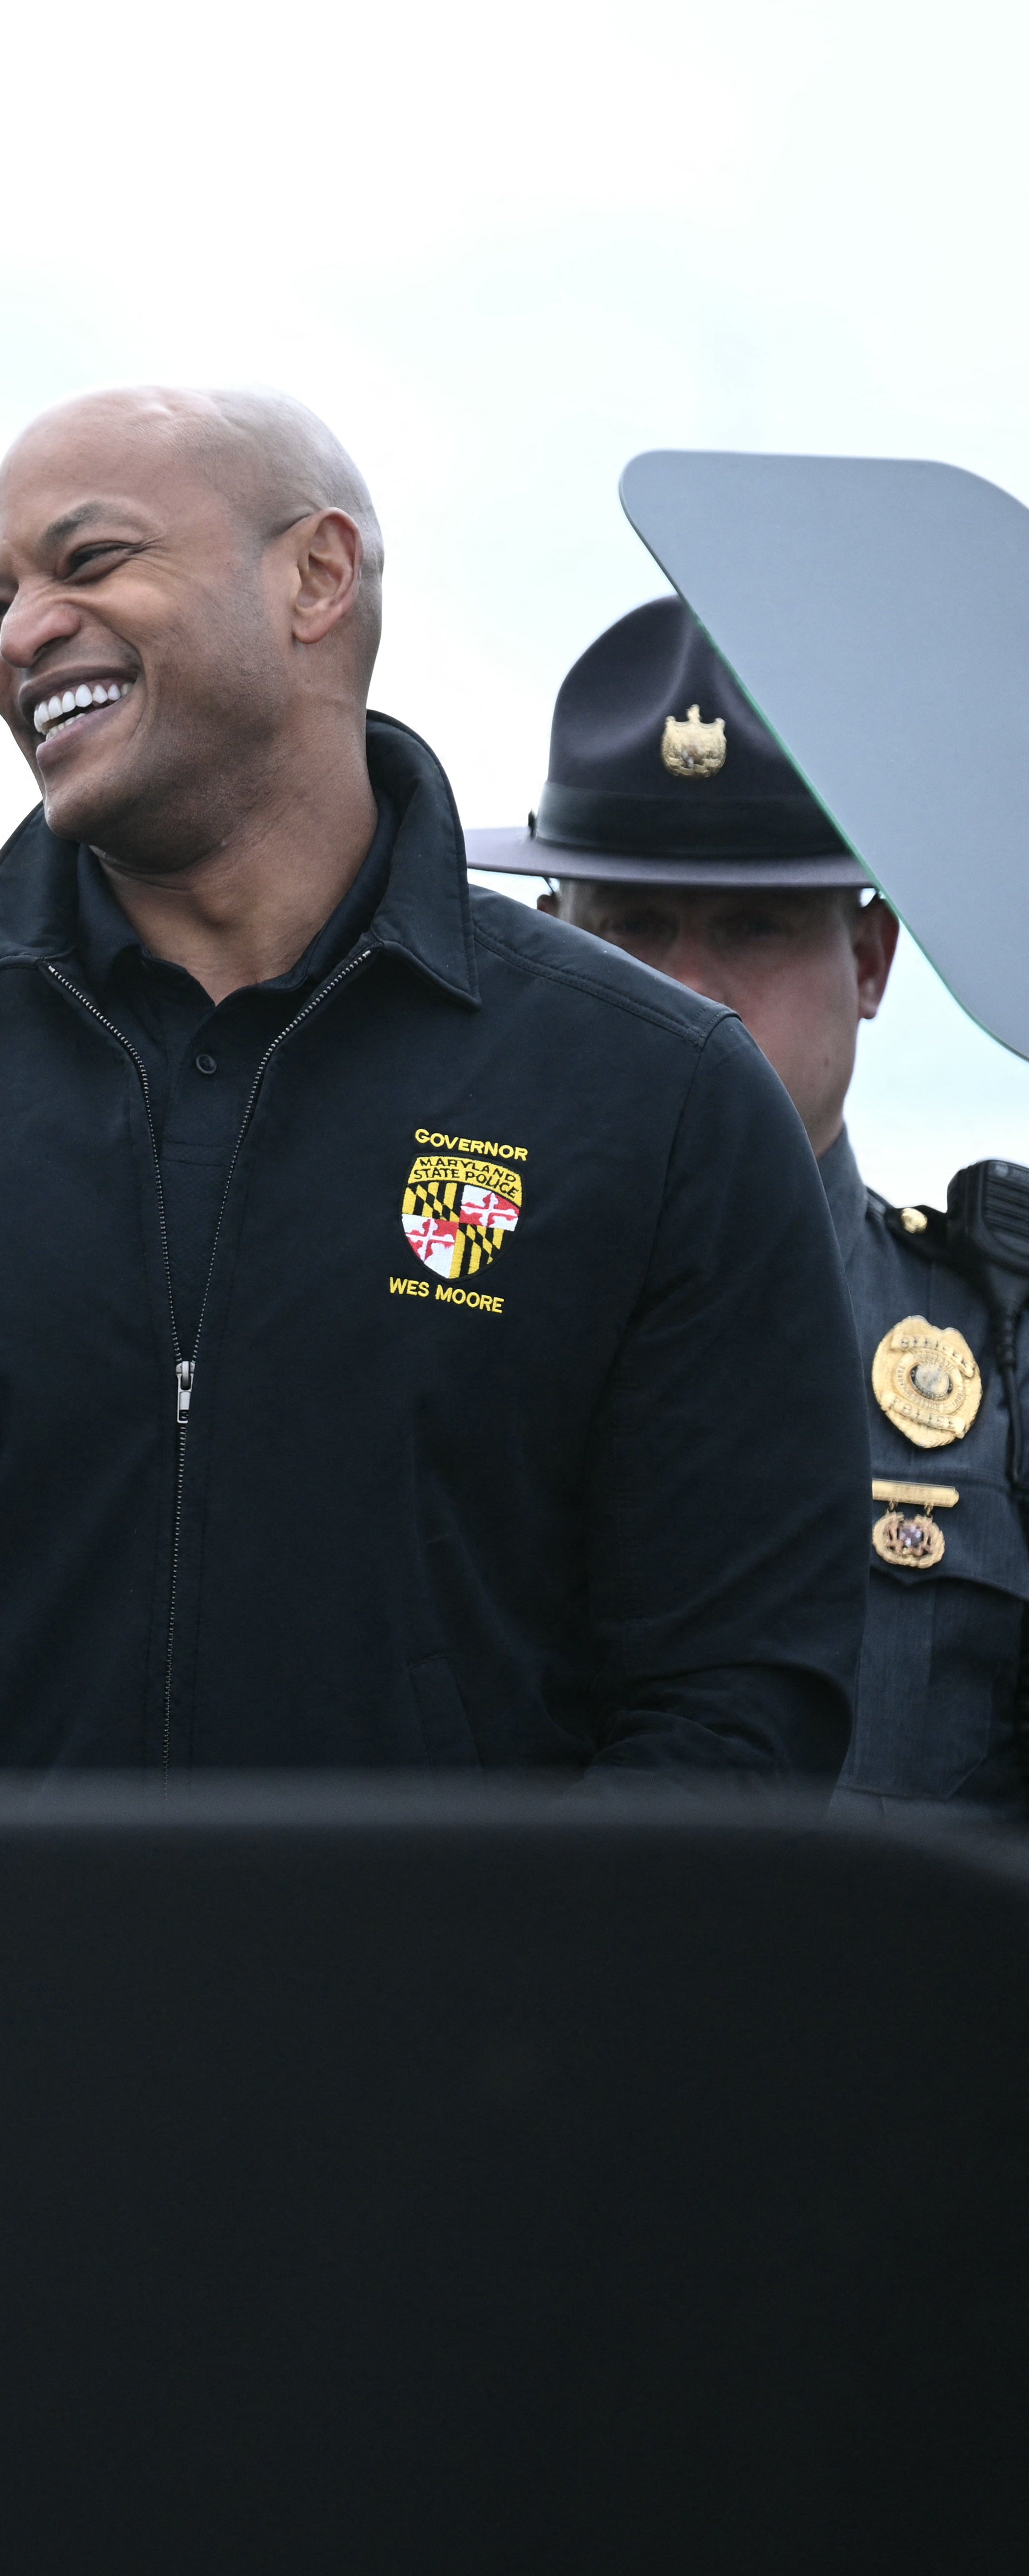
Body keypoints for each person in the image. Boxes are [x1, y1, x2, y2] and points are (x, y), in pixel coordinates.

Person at [0, 387, 861, 1780]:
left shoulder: (660, 1100)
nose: (20, 637)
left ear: (316, 576)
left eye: (87, 564)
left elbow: (734, 1706)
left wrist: (508, 1998)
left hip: (483, 2005)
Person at [480, 599, 1018, 1813]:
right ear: (552, 945)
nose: (685, 993)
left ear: (871, 963)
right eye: (635, 926)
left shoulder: (1007, 1354)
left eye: (753, 928)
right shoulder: (429, 1322)